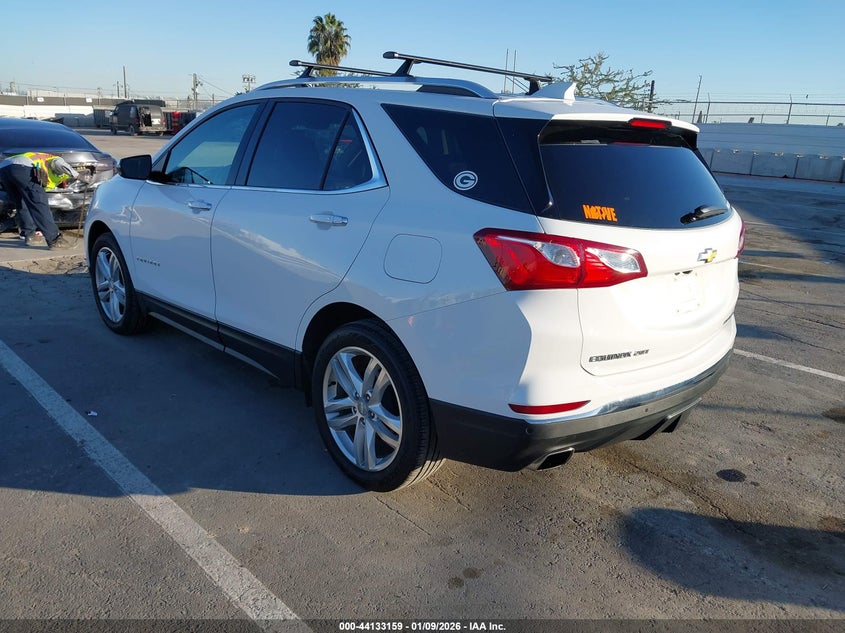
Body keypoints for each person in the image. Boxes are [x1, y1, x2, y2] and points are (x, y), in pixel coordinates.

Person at [0, 151, 78, 248]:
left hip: (4, 168)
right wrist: (77, 175)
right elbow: (59, 163)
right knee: (40, 205)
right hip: (23, 168)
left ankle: (30, 235)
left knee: (21, 203)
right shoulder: (55, 159)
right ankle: (55, 240)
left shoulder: (38, 158)